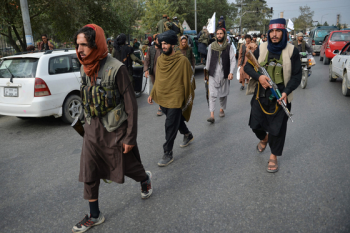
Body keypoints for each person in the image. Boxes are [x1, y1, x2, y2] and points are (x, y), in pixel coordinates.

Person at [72, 24, 152, 233]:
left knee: (127, 167)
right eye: (77, 45)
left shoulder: (117, 68)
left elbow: (131, 106)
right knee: (88, 172)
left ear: (95, 43)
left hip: (114, 129)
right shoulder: (83, 68)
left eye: (84, 45)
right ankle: (94, 215)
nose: (79, 50)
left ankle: (144, 179)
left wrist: (130, 137)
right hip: (91, 131)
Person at [244, 18, 302, 173]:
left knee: (278, 129)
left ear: (283, 32)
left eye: (278, 31)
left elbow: (297, 75)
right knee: (255, 125)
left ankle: (273, 156)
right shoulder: (262, 48)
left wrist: (286, 92)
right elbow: (248, 67)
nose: (274, 35)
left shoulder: (292, 51)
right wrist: (259, 77)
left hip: (280, 95)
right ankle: (264, 138)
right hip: (260, 95)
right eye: (272, 32)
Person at [147, 30, 196, 167]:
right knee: (175, 119)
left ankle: (167, 152)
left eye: (166, 43)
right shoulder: (161, 59)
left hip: (176, 96)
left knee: (170, 124)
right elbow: (158, 79)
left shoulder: (182, 61)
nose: (163, 46)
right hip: (163, 95)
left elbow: (189, 80)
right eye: (162, 43)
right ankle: (187, 134)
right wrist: (152, 93)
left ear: (173, 45)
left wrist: (186, 95)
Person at [204, 28, 235, 123]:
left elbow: (233, 60)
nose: (219, 35)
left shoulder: (229, 47)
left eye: (221, 33)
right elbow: (208, 60)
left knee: (223, 94)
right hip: (213, 74)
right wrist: (206, 74)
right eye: (217, 34)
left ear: (224, 35)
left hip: (224, 74)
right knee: (212, 94)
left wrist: (231, 72)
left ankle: (221, 109)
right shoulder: (211, 46)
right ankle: (212, 115)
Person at [144, 34, 164, 116]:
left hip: (163, 73)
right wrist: (146, 70)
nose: (159, 41)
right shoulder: (150, 49)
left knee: (161, 89)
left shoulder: (164, 49)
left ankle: (161, 107)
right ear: (155, 40)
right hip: (153, 73)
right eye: (158, 39)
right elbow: (147, 60)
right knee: (156, 89)